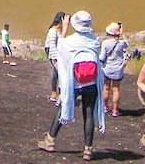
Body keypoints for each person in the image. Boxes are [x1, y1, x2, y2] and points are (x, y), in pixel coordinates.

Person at [38, 10, 105, 161]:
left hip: (75, 81)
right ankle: (88, 149)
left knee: (64, 107)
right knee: (88, 114)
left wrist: (65, 29)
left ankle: (50, 140)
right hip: (92, 82)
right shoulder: (94, 40)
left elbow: (60, 50)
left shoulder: (70, 41)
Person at [100, 22, 130, 116]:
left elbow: (101, 57)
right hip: (118, 70)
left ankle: (105, 106)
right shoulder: (121, 43)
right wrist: (122, 33)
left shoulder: (105, 43)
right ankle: (115, 110)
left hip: (107, 69)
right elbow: (127, 44)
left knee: (106, 88)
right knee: (116, 89)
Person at [45, 12, 66, 103]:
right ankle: (58, 95)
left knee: (56, 74)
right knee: (61, 75)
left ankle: (54, 94)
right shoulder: (53, 31)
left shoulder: (57, 30)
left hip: (56, 56)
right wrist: (56, 58)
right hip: (55, 56)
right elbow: (53, 46)